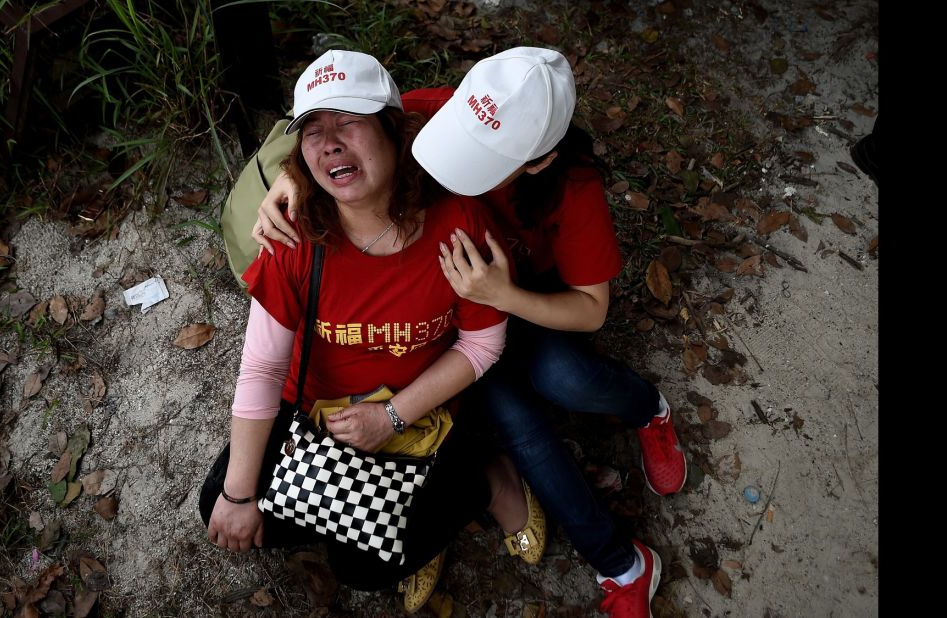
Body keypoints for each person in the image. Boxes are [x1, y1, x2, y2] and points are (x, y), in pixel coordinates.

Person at [250, 47, 687, 618]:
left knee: (563, 377)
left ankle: (647, 412)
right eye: (459, 138)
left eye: (483, 160)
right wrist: (287, 178)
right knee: (517, 423)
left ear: (536, 162)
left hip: (524, 305)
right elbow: (341, 131)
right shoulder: (441, 111)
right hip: (451, 313)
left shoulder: (570, 188)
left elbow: (590, 311)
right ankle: (621, 563)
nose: (454, 167)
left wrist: (504, 297)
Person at [199, 49, 542, 613]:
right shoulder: (294, 235)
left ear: (392, 130)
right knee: (223, 500)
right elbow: (262, 368)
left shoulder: (455, 223)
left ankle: (490, 479)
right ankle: (391, 513)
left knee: (363, 566)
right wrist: (240, 494)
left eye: (348, 122)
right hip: (315, 416)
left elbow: (483, 342)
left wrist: (392, 416)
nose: (329, 143)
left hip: (420, 412)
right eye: (313, 130)